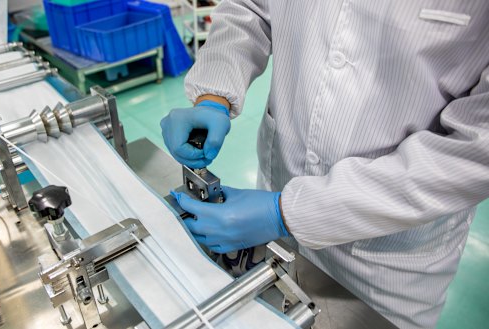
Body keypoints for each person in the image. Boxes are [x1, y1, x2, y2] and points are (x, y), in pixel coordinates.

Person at [159, 1, 489, 328]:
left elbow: (476, 152)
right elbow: (250, 8)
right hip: (279, 181)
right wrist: (213, 96)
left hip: (386, 262)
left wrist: (287, 212)